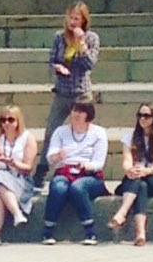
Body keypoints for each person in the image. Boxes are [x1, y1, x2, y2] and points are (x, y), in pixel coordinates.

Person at [39, 97, 109, 245]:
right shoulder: (60, 132)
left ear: (88, 114)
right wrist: (58, 156)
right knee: (58, 186)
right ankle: (48, 231)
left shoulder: (99, 133)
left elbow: (98, 163)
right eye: (74, 110)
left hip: (90, 175)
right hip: (64, 171)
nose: (76, 114)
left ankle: (90, 232)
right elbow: (50, 158)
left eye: (81, 111)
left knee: (78, 188)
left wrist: (85, 165)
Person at [107, 102, 153, 246]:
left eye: (146, 115)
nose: (142, 119)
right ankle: (140, 234)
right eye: (140, 115)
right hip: (138, 178)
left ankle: (122, 213)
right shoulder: (129, 137)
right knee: (141, 186)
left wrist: (146, 171)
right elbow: (126, 160)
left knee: (139, 179)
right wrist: (129, 170)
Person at [0, 105, 38, 247]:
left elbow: (28, 168)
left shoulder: (27, 138)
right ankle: (17, 213)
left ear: (18, 121)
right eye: (3, 120)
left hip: (19, 177)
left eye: (11, 120)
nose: (6, 123)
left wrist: (13, 162)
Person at [47, 2, 100, 134]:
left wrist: (81, 44)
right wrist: (57, 67)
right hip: (62, 92)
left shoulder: (92, 38)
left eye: (76, 19)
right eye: (70, 18)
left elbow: (89, 64)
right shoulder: (59, 37)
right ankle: (47, 155)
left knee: (82, 130)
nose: (72, 22)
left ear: (83, 21)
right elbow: (52, 61)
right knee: (51, 130)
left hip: (81, 93)